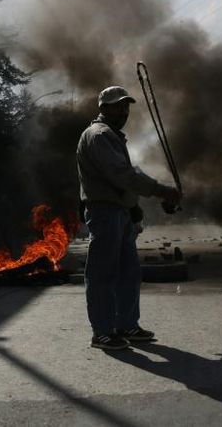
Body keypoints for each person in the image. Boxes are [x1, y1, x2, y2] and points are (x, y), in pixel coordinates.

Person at [77, 85, 182, 351]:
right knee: (102, 273)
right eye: (118, 105)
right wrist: (161, 191)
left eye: (126, 106)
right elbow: (122, 175)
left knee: (128, 272)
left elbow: (123, 180)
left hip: (119, 212)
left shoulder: (111, 136)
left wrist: (133, 207)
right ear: (103, 108)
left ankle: (126, 325)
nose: (124, 111)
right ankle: (102, 332)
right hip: (104, 212)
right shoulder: (99, 135)